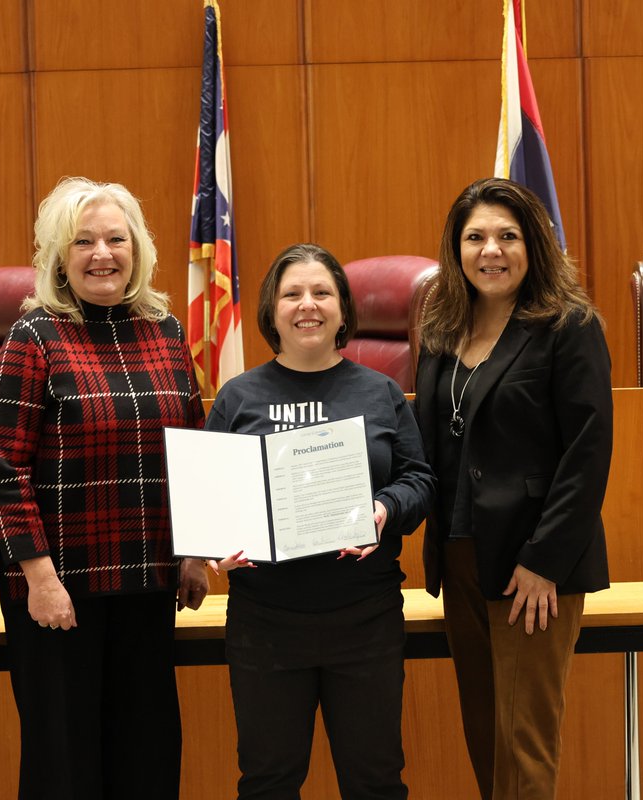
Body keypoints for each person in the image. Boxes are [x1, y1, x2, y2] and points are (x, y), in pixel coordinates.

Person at [0, 177, 207, 799]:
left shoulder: (164, 332)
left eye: (116, 239)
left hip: (147, 581)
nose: (102, 254)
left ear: (138, 249)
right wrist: (39, 577)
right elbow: (3, 465)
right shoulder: (35, 338)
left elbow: (191, 448)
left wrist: (193, 549)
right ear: (58, 256)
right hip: (59, 591)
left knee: (148, 756)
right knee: (66, 766)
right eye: (83, 241)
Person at [206, 243, 434, 800]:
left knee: (376, 782)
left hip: (365, 618)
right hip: (265, 622)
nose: (307, 304)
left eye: (321, 292)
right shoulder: (237, 397)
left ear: (342, 309)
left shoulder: (379, 392)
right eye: (292, 294)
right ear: (272, 310)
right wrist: (212, 546)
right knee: (267, 783)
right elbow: (209, 497)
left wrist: (384, 510)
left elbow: (420, 481)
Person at [414, 177, 613, 800]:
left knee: (525, 743)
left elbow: (588, 453)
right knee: (484, 731)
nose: (490, 251)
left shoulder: (567, 325)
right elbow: (428, 444)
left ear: (534, 245)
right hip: (460, 554)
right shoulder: (442, 328)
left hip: (533, 567)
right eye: (475, 237)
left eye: (507, 236)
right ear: (456, 249)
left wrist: (545, 560)